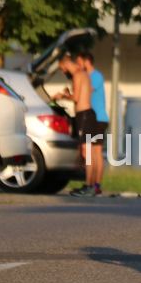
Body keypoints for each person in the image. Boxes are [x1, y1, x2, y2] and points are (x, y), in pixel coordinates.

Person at [52, 54, 99, 197]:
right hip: (88, 115)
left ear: (65, 64)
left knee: (86, 152)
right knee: (89, 152)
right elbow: (86, 92)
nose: (63, 72)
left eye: (61, 69)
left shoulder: (77, 75)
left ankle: (90, 186)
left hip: (84, 116)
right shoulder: (83, 74)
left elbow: (77, 98)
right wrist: (69, 93)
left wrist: (62, 96)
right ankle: (91, 185)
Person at [77, 51, 108, 196]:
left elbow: (87, 91)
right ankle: (91, 184)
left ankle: (95, 185)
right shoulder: (86, 76)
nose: (78, 65)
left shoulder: (95, 76)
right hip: (92, 119)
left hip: (98, 119)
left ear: (86, 61)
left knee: (96, 152)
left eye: (79, 62)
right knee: (91, 152)